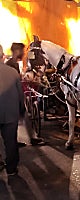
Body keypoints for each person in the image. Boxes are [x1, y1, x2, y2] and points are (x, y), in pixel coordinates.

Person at [0, 44, 24, 175]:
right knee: (11, 142)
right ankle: (11, 169)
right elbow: (20, 94)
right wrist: (22, 110)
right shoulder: (13, 72)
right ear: (3, 57)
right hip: (10, 114)